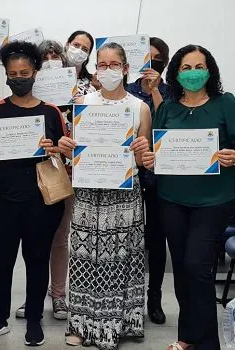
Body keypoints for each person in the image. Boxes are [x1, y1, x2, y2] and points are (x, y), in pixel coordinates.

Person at [59, 42, 151, 350]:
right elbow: (73, 150)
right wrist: (67, 147)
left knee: (119, 256)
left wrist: (141, 152)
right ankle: (81, 324)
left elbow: (144, 159)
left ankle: (115, 324)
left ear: (126, 69)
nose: (107, 70)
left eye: (114, 65)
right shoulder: (82, 102)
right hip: (88, 189)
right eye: (102, 64)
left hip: (124, 193)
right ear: (95, 68)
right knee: (84, 256)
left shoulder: (140, 108)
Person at [143, 45, 235, 350]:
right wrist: (146, 159)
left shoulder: (226, 104)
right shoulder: (167, 108)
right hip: (172, 199)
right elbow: (155, 154)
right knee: (182, 268)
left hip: (214, 200)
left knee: (197, 267)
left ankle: (208, 345)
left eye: (199, 66)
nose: (193, 72)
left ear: (210, 70)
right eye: (186, 67)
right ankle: (186, 338)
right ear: (176, 73)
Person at [0, 41, 66, 347]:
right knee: (1, 261)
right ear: (6, 75)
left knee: (37, 260)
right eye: (13, 73)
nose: (18, 77)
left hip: (41, 201)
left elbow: (65, 156)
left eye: (24, 72)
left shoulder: (51, 112)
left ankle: (35, 319)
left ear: (35, 72)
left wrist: (54, 151)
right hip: (1, 200)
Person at [15, 39, 69, 321]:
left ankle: (58, 296)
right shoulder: (23, 93)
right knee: (33, 243)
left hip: (62, 175)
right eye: (44, 57)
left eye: (54, 56)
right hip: (25, 179)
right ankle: (31, 298)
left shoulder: (78, 92)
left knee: (59, 240)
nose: (50, 61)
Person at [126, 36, 171, 325]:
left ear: (164, 63)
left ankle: (154, 296)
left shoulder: (171, 92)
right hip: (125, 173)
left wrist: (155, 93)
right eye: (146, 57)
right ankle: (127, 296)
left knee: (156, 237)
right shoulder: (125, 91)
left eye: (157, 58)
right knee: (128, 237)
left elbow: (168, 124)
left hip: (158, 176)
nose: (151, 63)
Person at [65, 30, 98, 96]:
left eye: (85, 49)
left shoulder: (92, 83)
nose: (79, 51)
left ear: (88, 55)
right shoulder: (54, 78)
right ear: (67, 45)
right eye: (76, 45)